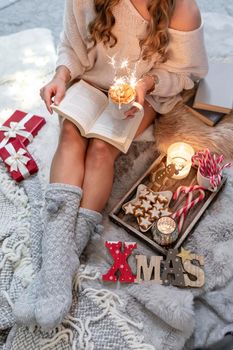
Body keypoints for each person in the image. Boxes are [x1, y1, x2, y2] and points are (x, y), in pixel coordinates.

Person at [13, 0, 208, 329]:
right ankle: (58, 261)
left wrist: (145, 86)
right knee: (71, 137)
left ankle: (62, 258)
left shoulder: (183, 8)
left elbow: (186, 74)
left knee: (102, 148)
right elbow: (71, 47)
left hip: (142, 95)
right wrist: (61, 76)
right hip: (89, 84)